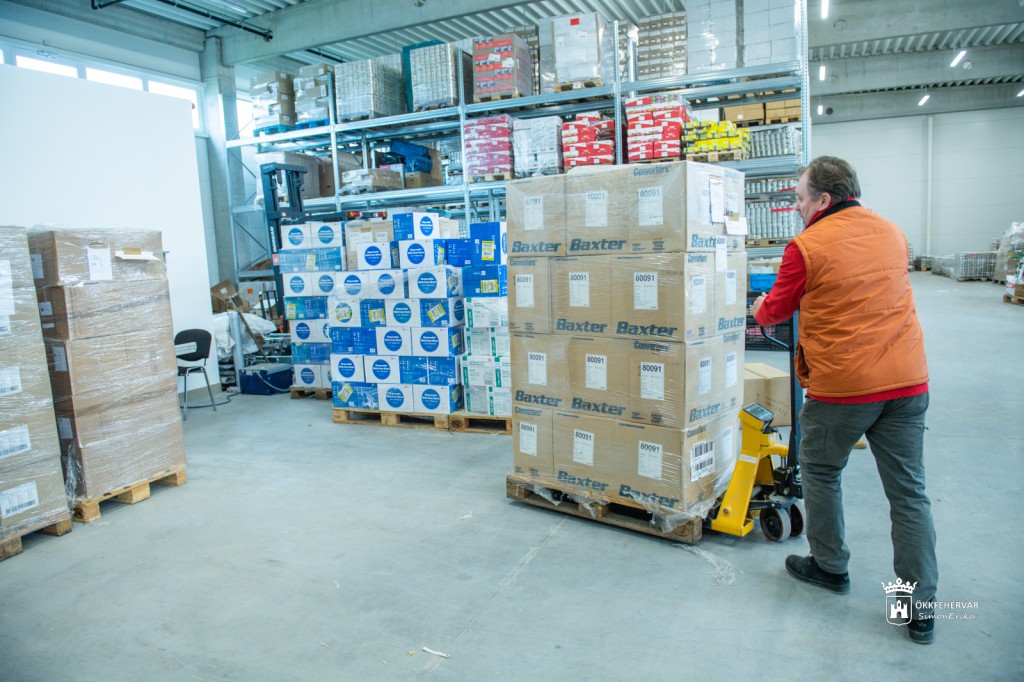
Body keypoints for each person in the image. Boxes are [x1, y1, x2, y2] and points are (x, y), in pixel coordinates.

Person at [751, 156, 938, 645]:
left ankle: (830, 566)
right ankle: (919, 609)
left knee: (821, 471)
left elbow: (774, 312)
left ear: (824, 200)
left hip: (845, 386)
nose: (796, 207)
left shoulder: (806, 246)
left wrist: (757, 305)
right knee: (909, 493)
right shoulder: (892, 232)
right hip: (907, 381)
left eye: (800, 198)